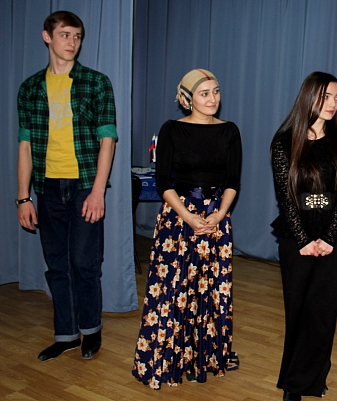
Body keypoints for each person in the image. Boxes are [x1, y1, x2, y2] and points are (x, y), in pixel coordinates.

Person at [16, 11, 117, 362]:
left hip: (84, 185)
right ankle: (66, 335)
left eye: (77, 36)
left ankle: (91, 330)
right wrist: (23, 197)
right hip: (46, 188)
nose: (72, 42)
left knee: (84, 262)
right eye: (65, 35)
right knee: (57, 265)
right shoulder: (30, 88)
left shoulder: (96, 83)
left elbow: (107, 140)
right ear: (47, 37)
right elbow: (25, 145)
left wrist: (98, 191)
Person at [132, 69, 242, 389]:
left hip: (216, 220)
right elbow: (163, 182)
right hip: (178, 221)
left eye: (216, 91)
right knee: (174, 293)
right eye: (204, 93)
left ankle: (203, 357)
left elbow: (233, 181)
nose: (212, 98)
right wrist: (189, 216)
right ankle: (170, 358)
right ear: (187, 98)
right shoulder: (171, 130)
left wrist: (220, 214)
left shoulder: (230, 131)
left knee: (209, 291)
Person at [270, 72, 337, 401]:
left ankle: (314, 380)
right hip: (296, 237)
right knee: (298, 312)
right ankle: (293, 385)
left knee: (323, 315)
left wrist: (329, 238)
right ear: (309, 98)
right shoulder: (284, 142)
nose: (333, 104)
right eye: (325, 97)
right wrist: (304, 239)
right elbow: (285, 196)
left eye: (336, 97)